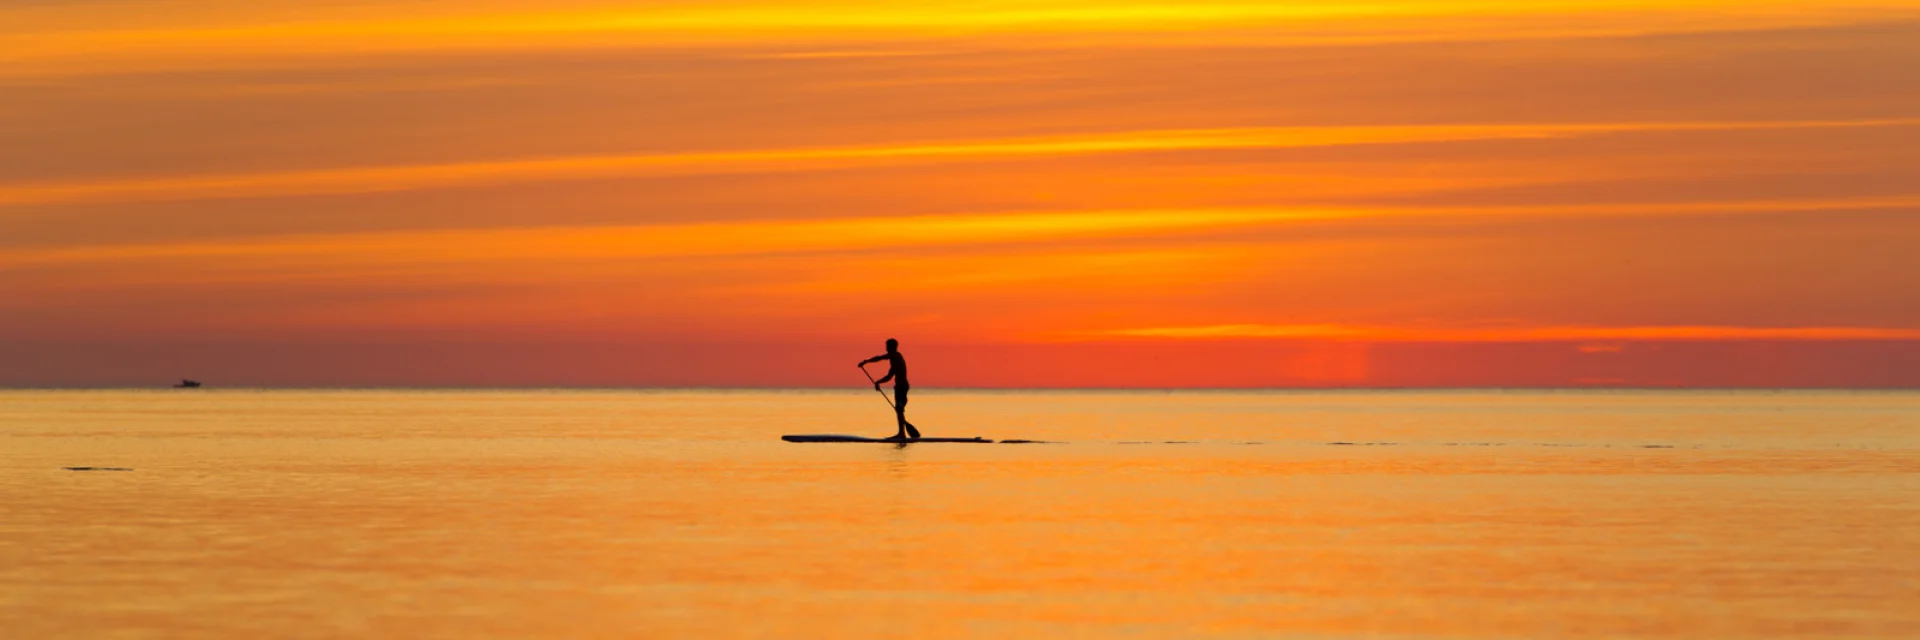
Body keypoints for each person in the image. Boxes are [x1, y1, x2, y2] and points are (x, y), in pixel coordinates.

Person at [858, 339, 920, 440]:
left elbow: (880, 358)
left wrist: (866, 362)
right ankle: (901, 433)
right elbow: (889, 375)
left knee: (899, 409)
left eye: (887, 346)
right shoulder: (894, 360)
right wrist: (878, 381)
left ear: (892, 347)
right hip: (899, 387)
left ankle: (901, 434)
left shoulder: (896, 356)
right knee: (899, 410)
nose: (886, 348)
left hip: (902, 387)